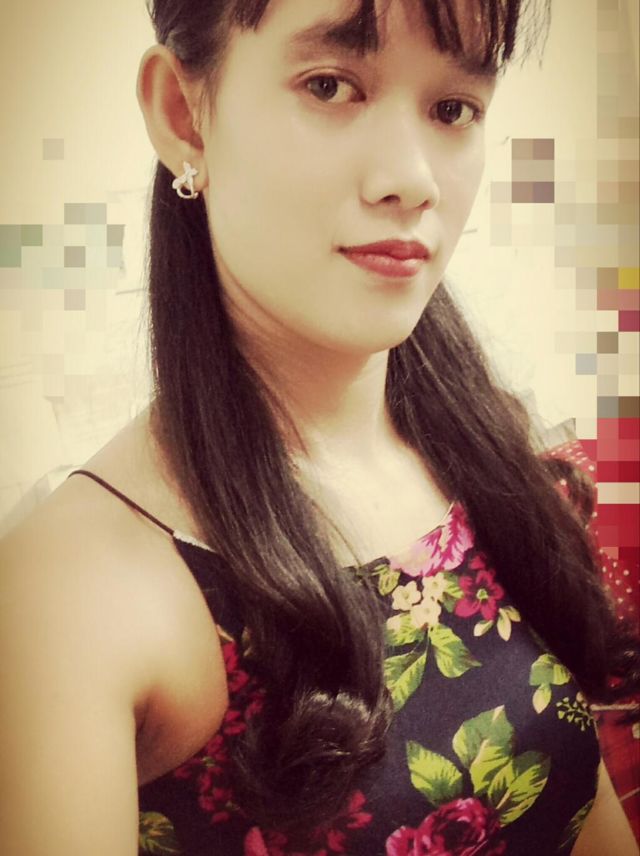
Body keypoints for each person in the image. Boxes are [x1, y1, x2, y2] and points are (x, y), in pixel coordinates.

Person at [1, 0, 638, 853]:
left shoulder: (483, 445)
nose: (412, 178)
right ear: (183, 113)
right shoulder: (64, 600)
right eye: (331, 86)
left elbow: (584, 809)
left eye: (453, 108)